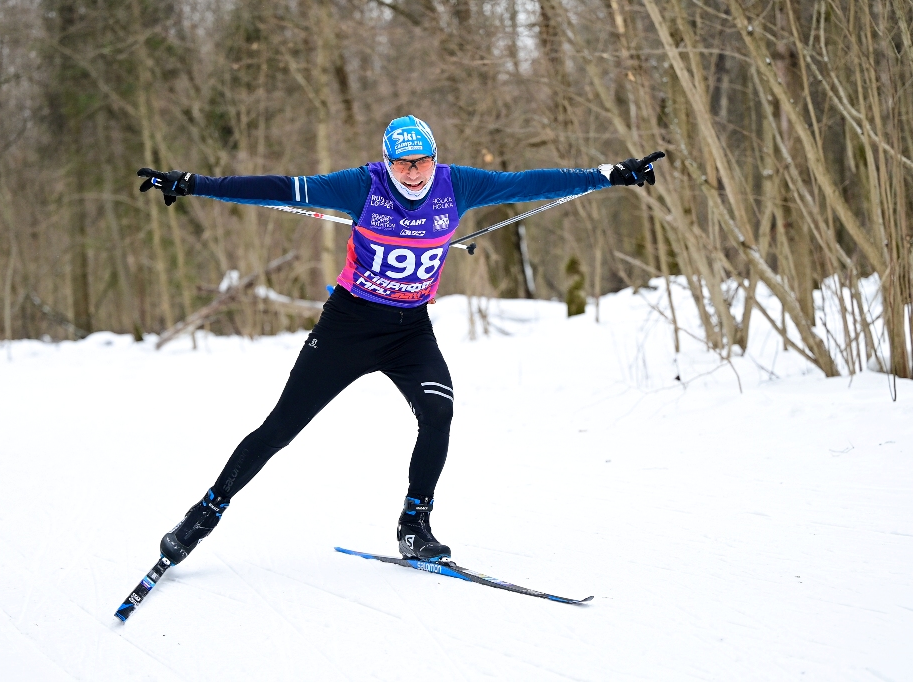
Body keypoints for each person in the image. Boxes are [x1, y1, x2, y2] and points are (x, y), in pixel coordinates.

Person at [138, 115, 662, 564]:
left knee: (438, 414)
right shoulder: (360, 186)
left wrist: (609, 175)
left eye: (422, 162)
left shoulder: (459, 185)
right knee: (280, 428)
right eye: (403, 164)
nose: (413, 173)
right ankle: (202, 515)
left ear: (435, 158)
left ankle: (414, 526)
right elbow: (277, 187)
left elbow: (532, 182)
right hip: (348, 325)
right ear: (387, 163)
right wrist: (191, 183)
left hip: (410, 330)